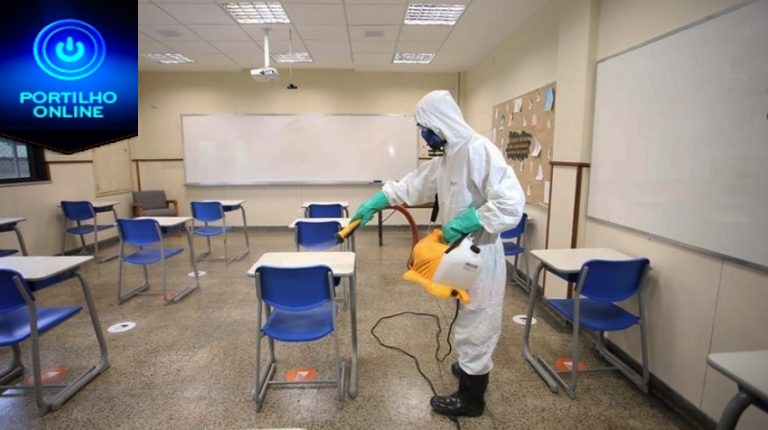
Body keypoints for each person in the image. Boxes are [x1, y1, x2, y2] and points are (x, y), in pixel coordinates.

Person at [351, 90, 525, 417]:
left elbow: (511, 203)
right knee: (465, 312)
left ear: (442, 123)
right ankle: (470, 367)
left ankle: (471, 399)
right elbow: (414, 184)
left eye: (427, 129)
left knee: (478, 319)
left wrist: (470, 220)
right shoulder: (448, 158)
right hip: (460, 253)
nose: (425, 136)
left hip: (481, 251)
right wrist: (378, 201)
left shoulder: (478, 150)